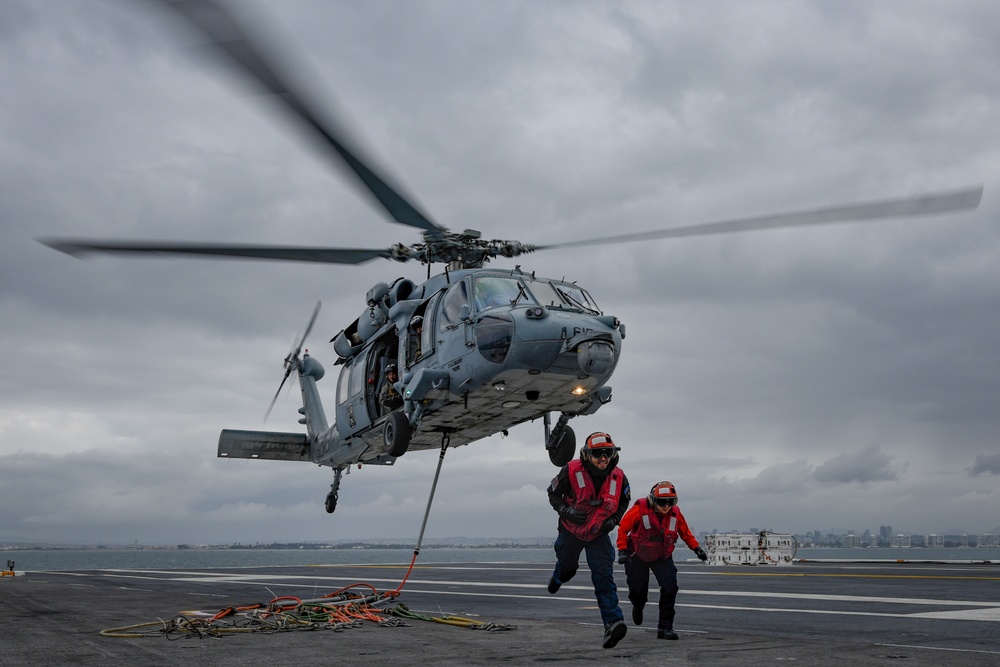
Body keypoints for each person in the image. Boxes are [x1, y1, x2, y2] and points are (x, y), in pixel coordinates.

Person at [547, 432, 631, 649]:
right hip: (571, 531)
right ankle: (558, 577)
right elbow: (552, 493)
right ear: (587, 454)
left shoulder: (620, 477)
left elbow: (623, 502)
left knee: (604, 578)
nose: (603, 458)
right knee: (567, 568)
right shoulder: (570, 470)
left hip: (598, 534)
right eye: (598, 453)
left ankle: (613, 623)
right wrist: (566, 511)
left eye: (608, 453)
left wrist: (613, 520)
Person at [616, 480, 708, 640]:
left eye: (670, 502)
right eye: (662, 502)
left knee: (670, 587)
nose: (666, 506)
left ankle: (665, 628)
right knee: (638, 591)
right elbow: (623, 529)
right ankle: (638, 605)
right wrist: (622, 551)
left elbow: (685, 533)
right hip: (637, 556)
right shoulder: (638, 510)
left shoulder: (675, 514)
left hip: (661, 556)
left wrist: (696, 548)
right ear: (653, 500)